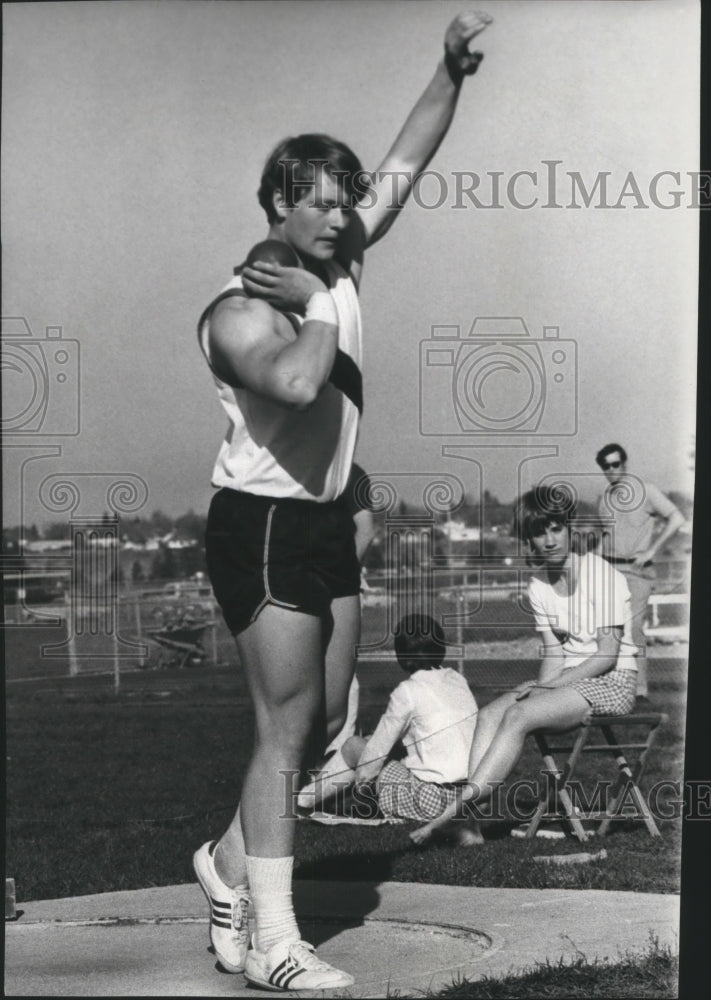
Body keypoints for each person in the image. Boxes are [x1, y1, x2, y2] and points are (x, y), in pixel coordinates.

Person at [192, 11, 493, 992]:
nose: (338, 218)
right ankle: (270, 939)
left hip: (322, 519)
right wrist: (321, 302)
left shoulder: (339, 256)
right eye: (316, 203)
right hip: (264, 522)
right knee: (284, 733)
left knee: (320, 724)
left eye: (342, 204)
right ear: (278, 202)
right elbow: (297, 384)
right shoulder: (239, 311)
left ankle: (226, 868)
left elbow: (404, 161)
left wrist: (448, 72)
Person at [410, 483, 639, 848]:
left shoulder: (601, 574)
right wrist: (539, 687)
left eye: (555, 529)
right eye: (538, 532)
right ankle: (471, 827)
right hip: (570, 681)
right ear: (527, 540)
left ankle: (455, 811)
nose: (549, 540)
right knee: (489, 715)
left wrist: (546, 690)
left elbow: (608, 654)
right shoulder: (539, 585)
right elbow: (553, 653)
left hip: (612, 681)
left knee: (518, 716)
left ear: (569, 529)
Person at [336, 614, 478, 839]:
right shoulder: (457, 679)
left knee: (354, 746)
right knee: (394, 751)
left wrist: (362, 781)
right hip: (473, 795)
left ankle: (307, 799)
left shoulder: (408, 691)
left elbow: (375, 752)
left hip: (435, 799)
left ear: (401, 656)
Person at [295, 462, 375, 812]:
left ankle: (332, 768)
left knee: (341, 687)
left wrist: (339, 577)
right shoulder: (290, 466)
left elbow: (365, 530)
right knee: (299, 683)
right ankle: (302, 773)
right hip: (296, 590)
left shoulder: (350, 471)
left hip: (336, 589)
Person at [595, 443, 685, 703]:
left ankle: (640, 691)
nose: (611, 470)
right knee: (608, 630)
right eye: (606, 466)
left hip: (637, 572)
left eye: (615, 464)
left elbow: (677, 518)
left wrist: (652, 551)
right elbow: (605, 536)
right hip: (609, 569)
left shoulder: (647, 491)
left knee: (633, 629)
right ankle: (612, 687)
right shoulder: (605, 497)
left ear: (624, 464)